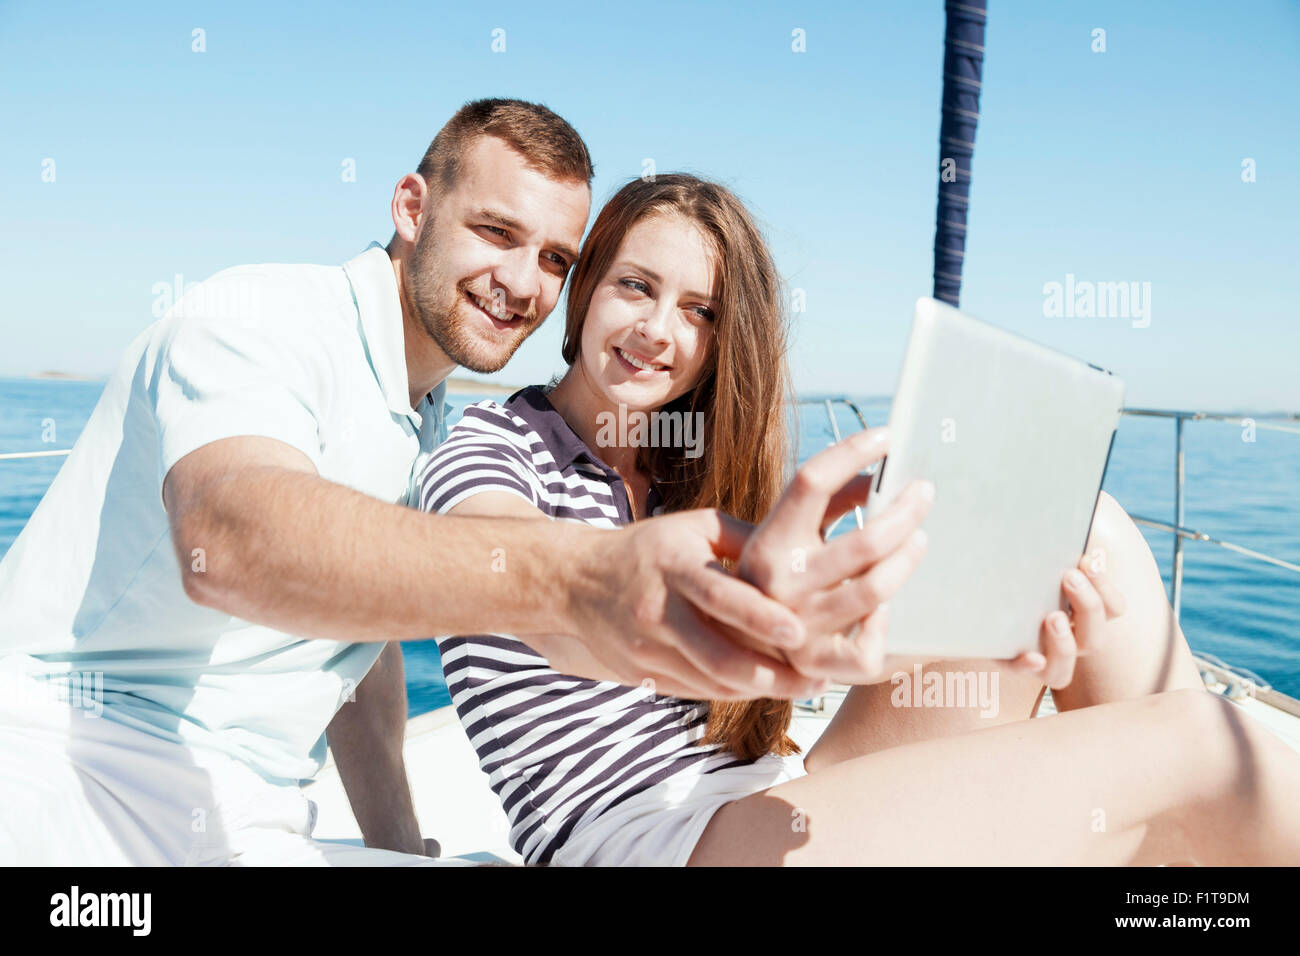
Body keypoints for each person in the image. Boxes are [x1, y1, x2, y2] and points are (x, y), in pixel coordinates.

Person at [0, 100, 906, 866]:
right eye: (496, 232)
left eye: (554, 257)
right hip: (72, 784)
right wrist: (587, 577)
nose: (521, 281)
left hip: (255, 817)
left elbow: (362, 632)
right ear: (410, 206)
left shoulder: (422, 411)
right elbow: (234, 538)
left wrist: (398, 839)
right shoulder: (260, 318)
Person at [413, 173, 1300, 866]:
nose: (656, 329)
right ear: (586, 294)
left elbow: (788, 673)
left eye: (698, 311)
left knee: (1084, 537)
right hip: (656, 846)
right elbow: (510, 559)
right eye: (634, 287)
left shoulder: (688, 472)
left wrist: (990, 623)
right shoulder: (493, 452)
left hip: (770, 798)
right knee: (1204, 745)